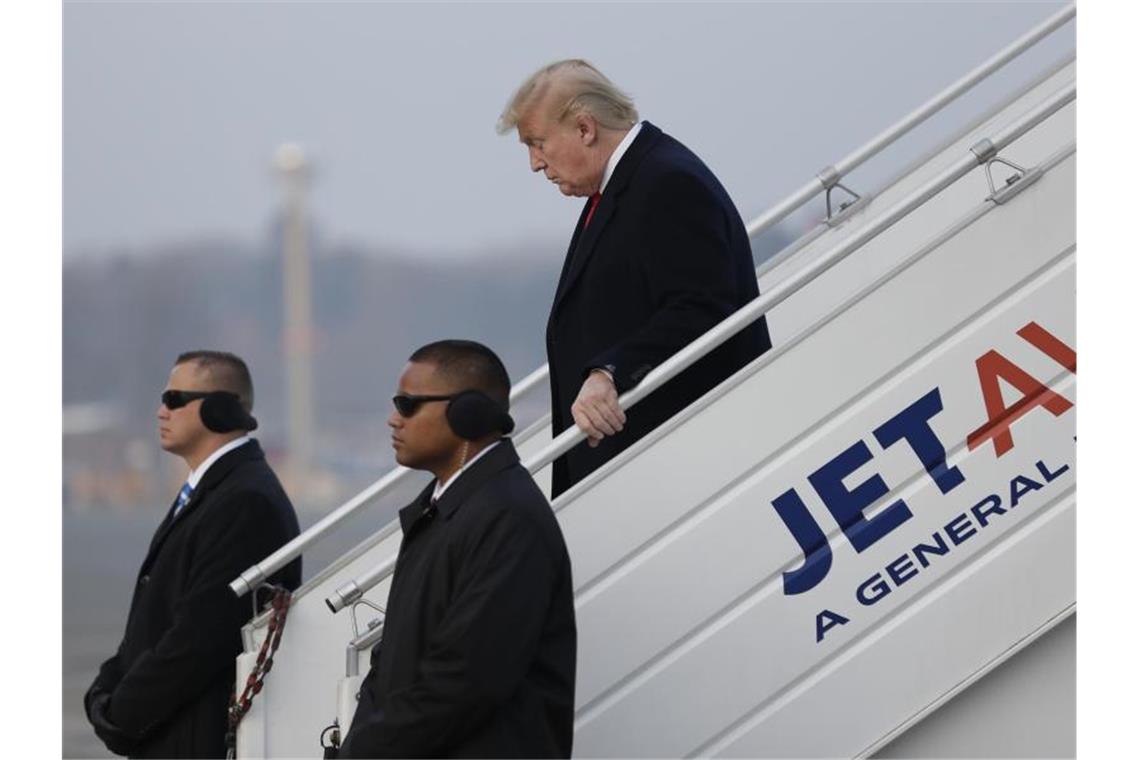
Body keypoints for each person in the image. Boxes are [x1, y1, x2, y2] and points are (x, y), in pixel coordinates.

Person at [498, 59, 773, 497]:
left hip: (675, 467)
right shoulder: (630, 180)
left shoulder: (666, 181)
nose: (535, 163)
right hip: (641, 462)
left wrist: (609, 373)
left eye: (538, 143)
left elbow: (702, 306)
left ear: (585, 129)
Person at [336, 340, 576, 759]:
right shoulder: (447, 509)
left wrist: (368, 750)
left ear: (469, 413)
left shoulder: (507, 517)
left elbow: (466, 680)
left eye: (408, 405)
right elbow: (393, 660)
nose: (394, 420)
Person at [84, 351, 302, 758]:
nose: (160, 411)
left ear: (220, 408)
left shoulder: (245, 500)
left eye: (174, 399)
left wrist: (122, 711)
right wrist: (105, 686)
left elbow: (200, 636)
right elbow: (158, 618)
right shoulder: (218, 491)